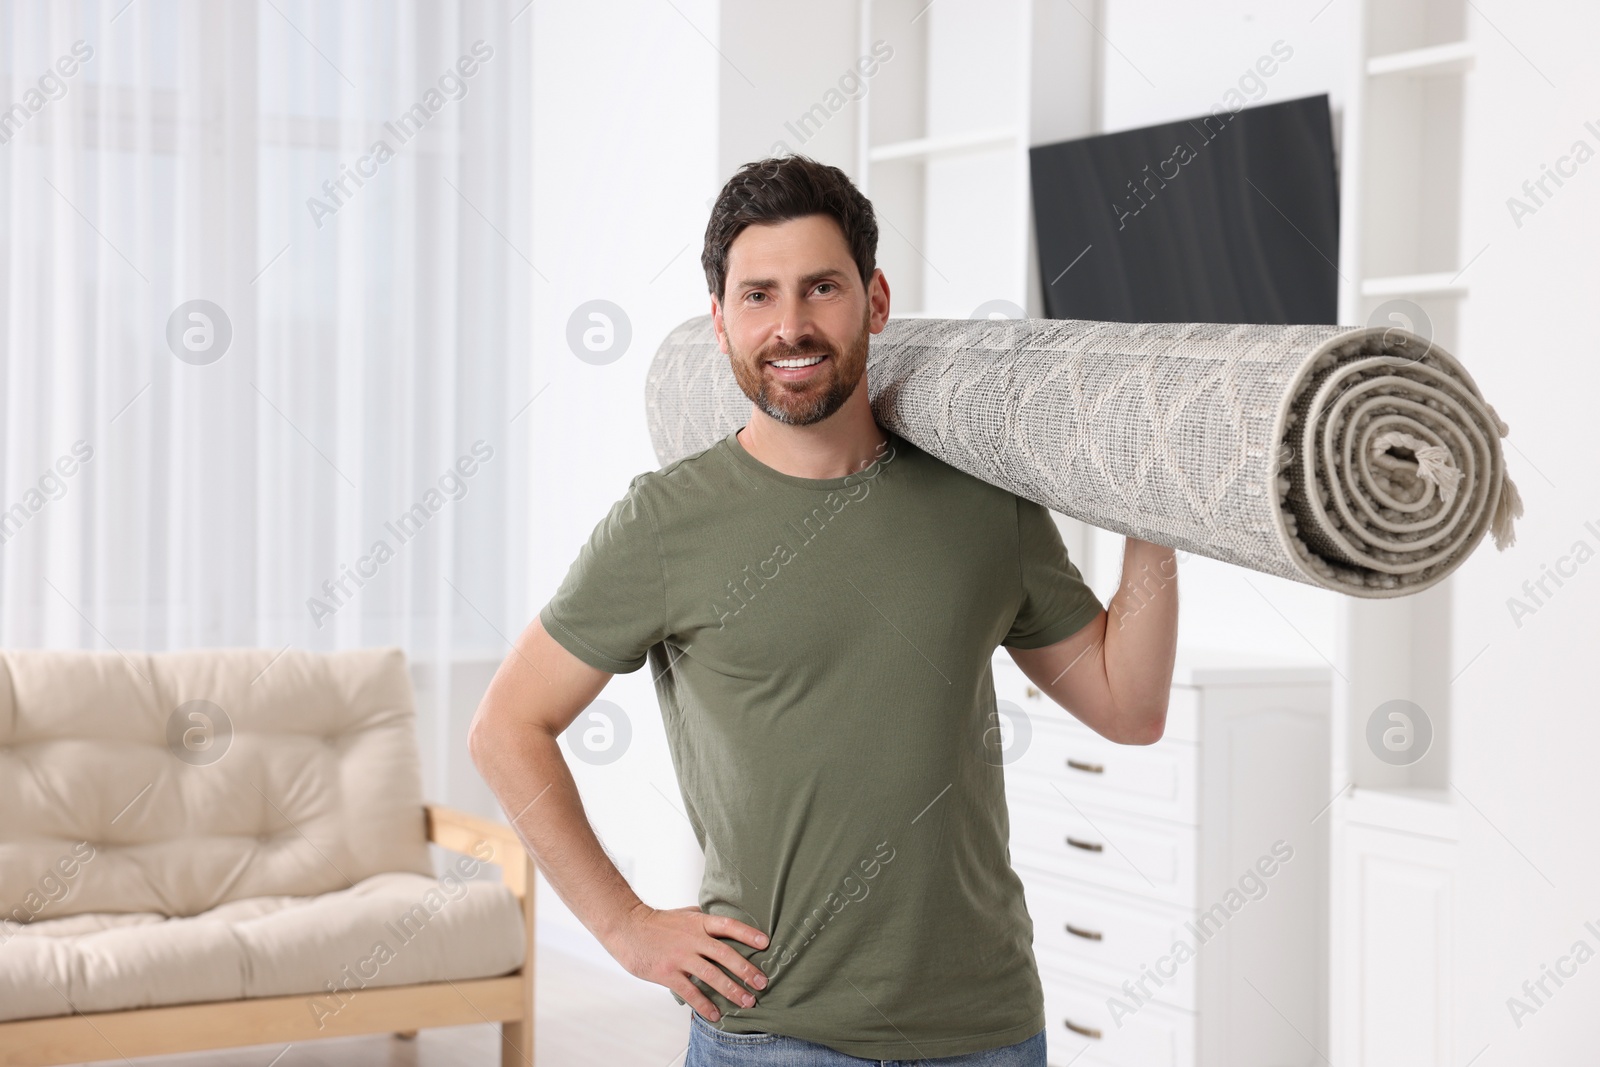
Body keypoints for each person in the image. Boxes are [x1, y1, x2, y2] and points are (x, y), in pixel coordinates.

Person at [468, 154, 1179, 1066]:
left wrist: (1157, 505)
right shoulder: (665, 522)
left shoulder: (982, 503)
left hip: (987, 1029)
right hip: (775, 1032)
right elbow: (505, 726)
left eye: (821, 288)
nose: (791, 325)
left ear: (874, 301)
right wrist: (626, 926)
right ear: (719, 319)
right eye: (757, 295)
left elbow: (1129, 705)